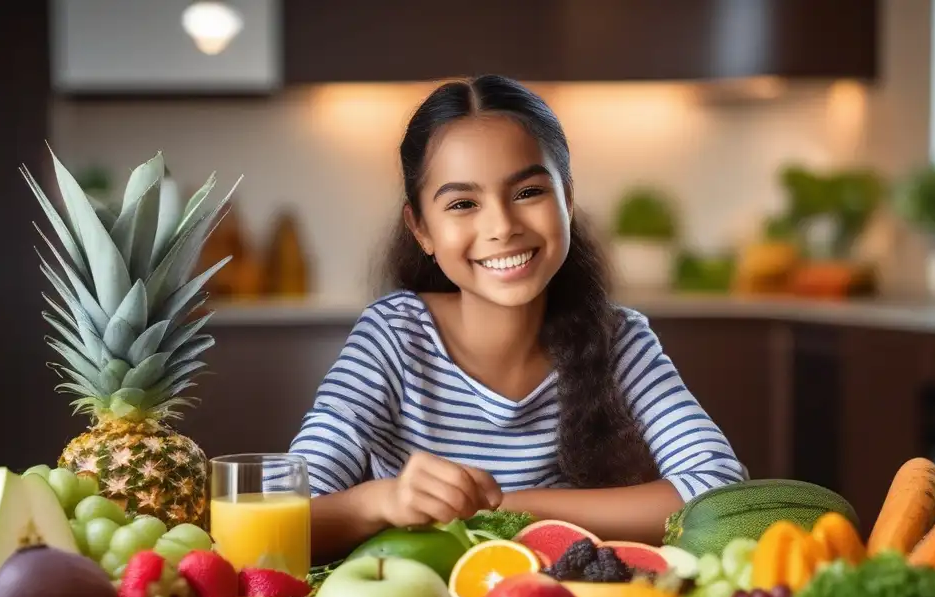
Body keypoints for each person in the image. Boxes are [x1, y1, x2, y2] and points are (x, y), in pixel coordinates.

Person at [288, 74, 747, 564]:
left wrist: (501, 507)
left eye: (528, 192)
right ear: (421, 228)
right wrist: (380, 501)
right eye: (463, 204)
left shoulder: (621, 342)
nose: (502, 227)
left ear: (567, 200)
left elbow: (717, 491)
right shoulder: (393, 340)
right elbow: (277, 516)